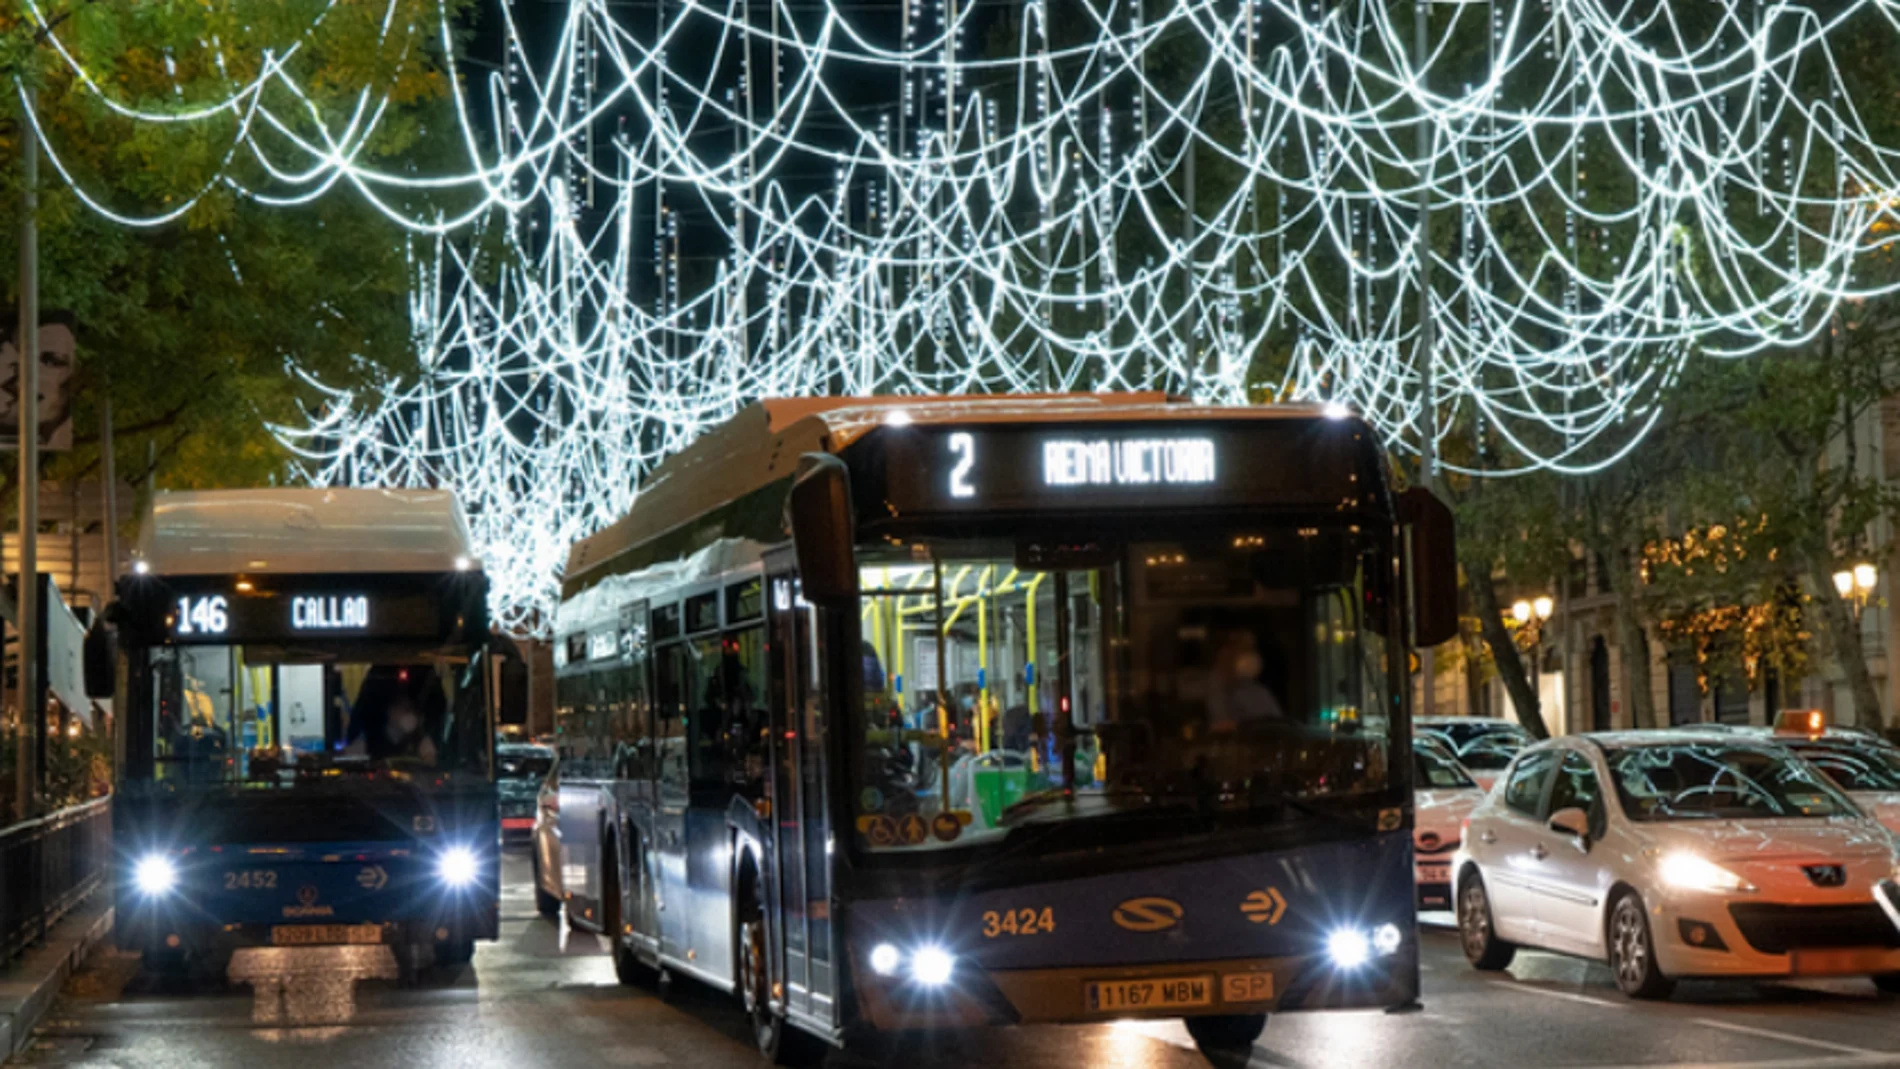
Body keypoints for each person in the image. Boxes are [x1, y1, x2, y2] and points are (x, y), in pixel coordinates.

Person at [1206, 631, 1285, 733]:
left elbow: (1279, 729)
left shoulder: (1259, 693)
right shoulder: (1208, 690)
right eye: (1243, 649)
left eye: (1251, 649)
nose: (1249, 655)